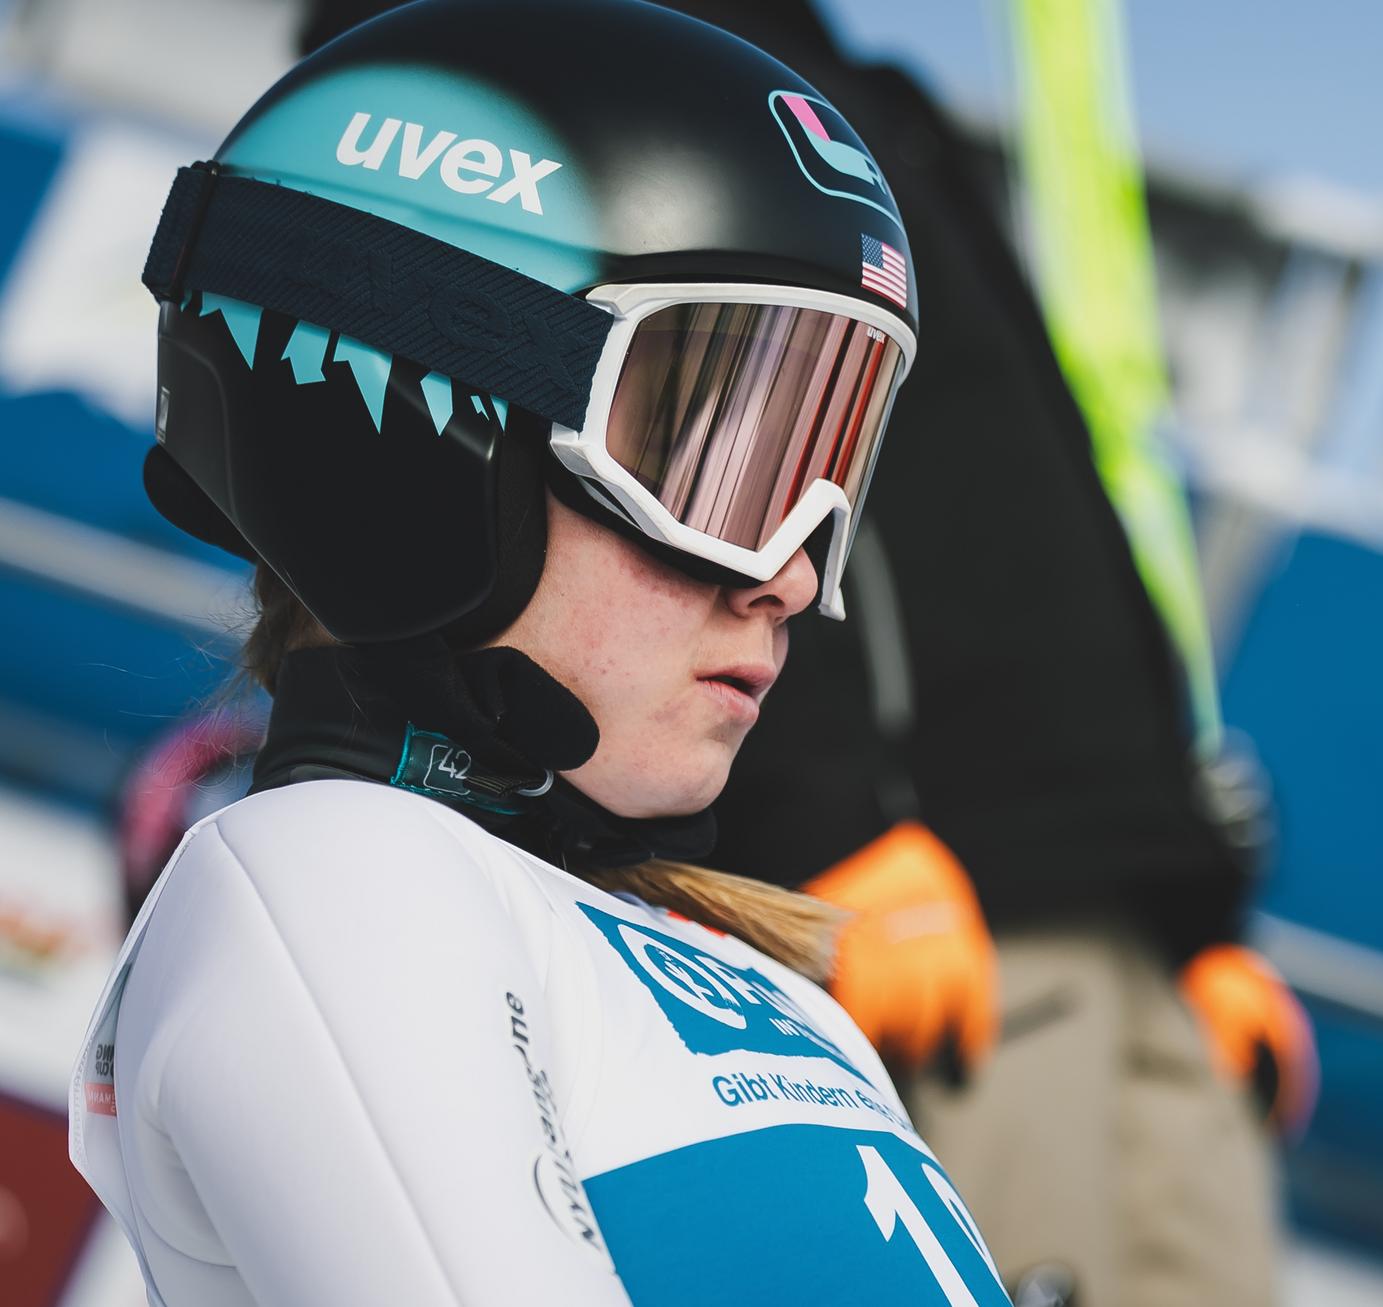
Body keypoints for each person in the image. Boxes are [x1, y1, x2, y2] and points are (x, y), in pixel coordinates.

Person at [67, 3, 1009, 1304]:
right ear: (417, 427)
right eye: (719, 468)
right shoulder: (339, 880)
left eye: (821, 467)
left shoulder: (776, 992)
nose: (792, 575)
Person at [644, 4, 1319, 1304]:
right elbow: (703, 469)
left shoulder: (847, 85)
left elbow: (1032, 509)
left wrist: (1191, 909)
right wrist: (826, 830)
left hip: (1129, 927)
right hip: (942, 908)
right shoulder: (645, 54)